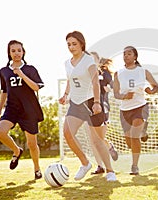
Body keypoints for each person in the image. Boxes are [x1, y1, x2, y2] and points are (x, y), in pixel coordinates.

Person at [58, 31, 116, 181]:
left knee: (97, 139)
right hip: (75, 104)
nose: (71, 47)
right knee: (67, 133)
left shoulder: (88, 60)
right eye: (69, 44)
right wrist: (65, 95)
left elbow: (95, 81)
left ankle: (110, 171)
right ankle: (85, 163)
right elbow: (70, 80)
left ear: (82, 44)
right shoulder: (67, 63)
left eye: (74, 44)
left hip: (90, 102)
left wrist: (97, 102)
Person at [0, 40, 44, 180]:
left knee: (32, 144)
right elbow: (4, 91)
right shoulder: (3, 71)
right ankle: (16, 150)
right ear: (9, 53)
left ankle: (37, 169)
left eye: (19, 50)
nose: (16, 53)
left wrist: (21, 74)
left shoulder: (30, 69)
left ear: (23, 52)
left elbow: (36, 87)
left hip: (29, 110)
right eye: (13, 51)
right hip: (12, 108)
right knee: (1, 132)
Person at [113, 46, 158, 175]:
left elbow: (156, 86)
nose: (126, 56)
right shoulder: (118, 73)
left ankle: (134, 166)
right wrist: (124, 96)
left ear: (135, 57)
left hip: (140, 107)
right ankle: (143, 132)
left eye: (129, 53)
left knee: (134, 136)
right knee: (130, 141)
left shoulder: (143, 71)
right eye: (124, 54)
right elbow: (116, 94)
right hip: (125, 110)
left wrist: (151, 90)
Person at [89, 52, 118, 175]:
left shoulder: (104, 74)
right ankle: (99, 166)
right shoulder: (85, 75)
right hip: (88, 109)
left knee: (99, 139)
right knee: (92, 139)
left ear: (98, 61)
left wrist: (109, 89)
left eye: (92, 59)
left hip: (103, 108)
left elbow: (113, 86)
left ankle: (109, 146)